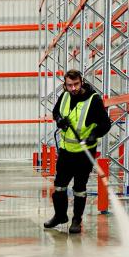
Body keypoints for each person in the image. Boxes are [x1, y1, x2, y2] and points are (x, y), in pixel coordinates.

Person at [43, 69, 110, 234]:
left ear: (82, 82)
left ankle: (76, 220)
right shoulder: (65, 96)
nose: (73, 88)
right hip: (66, 151)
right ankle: (60, 216)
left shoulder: (93, 100)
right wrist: (60, 120)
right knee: (59, 186)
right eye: (69, 85)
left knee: (79, 188)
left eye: (76, 84)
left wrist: (94, 135)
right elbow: (56, 112)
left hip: (84, 153)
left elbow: (105, 123)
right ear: (65, 85)